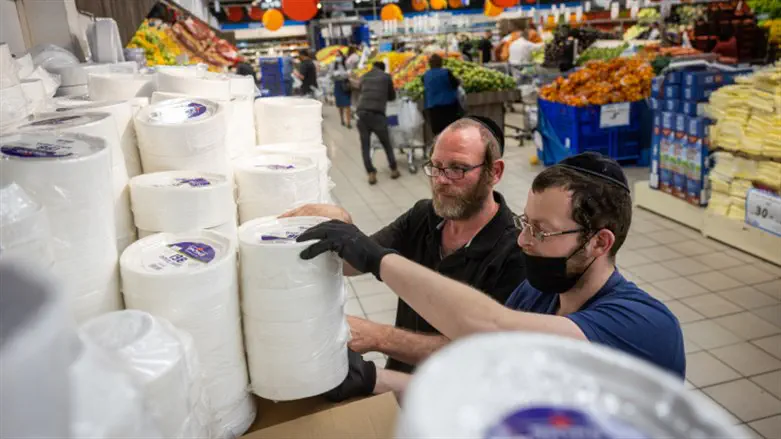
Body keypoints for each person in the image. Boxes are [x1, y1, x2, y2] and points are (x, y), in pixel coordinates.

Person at [297, 151, 686, 397]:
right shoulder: (536, 297)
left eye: (542, 231)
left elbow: (490, 325)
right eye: (524, 223)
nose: (522, 241)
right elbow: (485, 387)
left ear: (600, 243)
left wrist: (377, 258)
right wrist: (372, 380)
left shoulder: (642, 325)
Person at [281, 117, 525, 399]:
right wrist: (343, 228)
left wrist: (379, 337)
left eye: (458, 169)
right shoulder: (424, 216)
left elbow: (486, 351)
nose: (442, 181)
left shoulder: (516, 251)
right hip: (398, 382)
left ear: (494, 172)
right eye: (435, 167)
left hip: (459, 399)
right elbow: (354, 263)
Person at [356, 60, 400, 185]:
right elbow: (392, 96)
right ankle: (394, 169)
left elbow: (361, 91)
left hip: (362, 114)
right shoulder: (386, 77)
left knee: (365, 145)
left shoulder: (364, 76)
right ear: (383, 68)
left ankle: (370, 173)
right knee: (386, 143)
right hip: (377, 114)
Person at [423, 54, 462, 137]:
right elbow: (455, 84)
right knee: (450, 130)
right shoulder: (446, 72)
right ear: (441, 63)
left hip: (433, 107)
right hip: (448, 106)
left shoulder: (426, 75)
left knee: (438, 132)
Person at [331, 51, 353, 128]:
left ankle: (348, 122)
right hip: (337, 85)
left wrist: (344, 74)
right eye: (336, 55)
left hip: (345, 85)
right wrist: (335, 75)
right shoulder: (333, 64)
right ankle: (342, 119)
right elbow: (330, 75)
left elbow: (350, 73)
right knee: (340, 105)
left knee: (347, 104)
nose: (337, 57)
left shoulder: (347, 64)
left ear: (342, 56)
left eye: (338, 55)